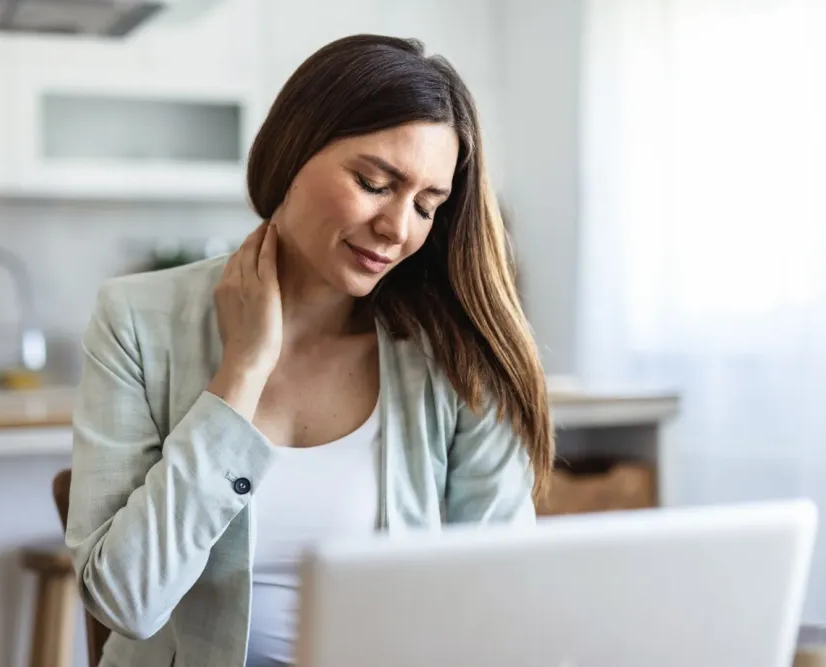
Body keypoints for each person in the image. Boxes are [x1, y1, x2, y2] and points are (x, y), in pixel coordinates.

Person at [66, 33, 555, 667]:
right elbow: (126, 601)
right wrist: (239, 376)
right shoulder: (137, 320)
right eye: (374, 183)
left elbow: (497, 600)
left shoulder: (456, 354)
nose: (398, 228)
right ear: (293, 150)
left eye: (427, 205)